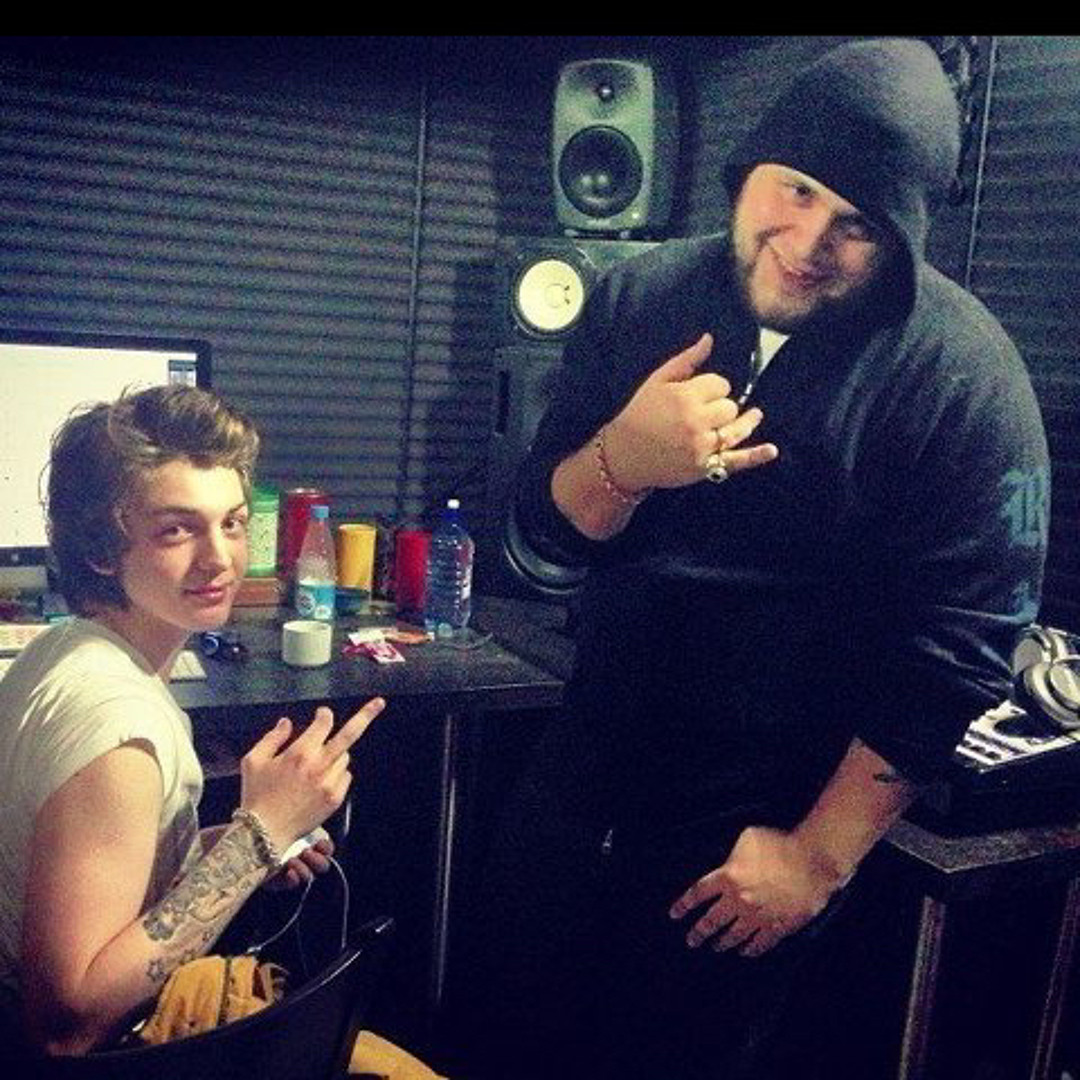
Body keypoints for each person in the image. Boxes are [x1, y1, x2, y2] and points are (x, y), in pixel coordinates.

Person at [466, 38, 1050, 1079]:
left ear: (902, 237)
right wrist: (624, 461)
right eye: (798, 189)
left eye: (857, 223)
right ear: (751, 172)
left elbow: (965, 648)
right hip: (580, 777)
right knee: (505, 1039)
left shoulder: (964, 375)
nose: (809, 241)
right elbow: (541, 538)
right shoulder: (638, 296)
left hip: (756, 833)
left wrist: (818, 858)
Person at [0, 384, 386, 1058]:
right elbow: (65, 1025)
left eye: (231, 523)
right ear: (101, 549)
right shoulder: (117, 732)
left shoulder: (68, 646)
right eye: (177, 529)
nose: (219, 558)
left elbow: (103, 869)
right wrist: (259, 839)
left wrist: (222, 849)